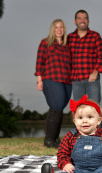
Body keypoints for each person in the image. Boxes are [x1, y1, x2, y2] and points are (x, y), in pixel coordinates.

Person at [35, 19, 72, 148]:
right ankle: (49, 139)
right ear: (53, 29)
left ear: (64, 29)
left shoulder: (67, 45)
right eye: (56, 27)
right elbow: (40, 62)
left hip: (66, 81)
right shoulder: (46, 43)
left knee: (60, 107)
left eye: (61, 27)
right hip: (51, 79)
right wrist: (39, 80)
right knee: (56, 105)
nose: (59, 29)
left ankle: (55, 139)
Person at [68, 10, 102, 103]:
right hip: (76, 81)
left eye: (85, 18)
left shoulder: (95, 36)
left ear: (88, 21)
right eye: (79, 18)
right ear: (75, 21)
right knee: (79, 111)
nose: (82, 20)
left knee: (94, 109)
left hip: (92, 80)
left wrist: (95, 71)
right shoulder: (69, 38)